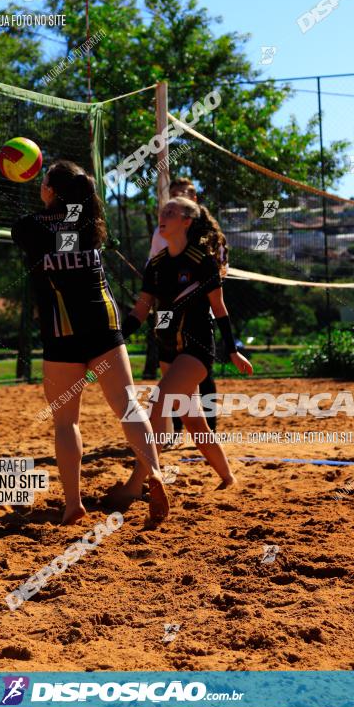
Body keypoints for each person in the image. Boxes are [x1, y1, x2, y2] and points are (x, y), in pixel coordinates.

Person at [11, 159, 169, 526]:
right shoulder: (91, 224)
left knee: (66, 422)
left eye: (44, 182)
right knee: (128, 404)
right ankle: (155, 472)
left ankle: (73, 505)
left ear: (49, 190)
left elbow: (30, 227)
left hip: (61, 331)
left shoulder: (28, 227)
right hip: (103, 326)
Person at [119, 196, 252, 500]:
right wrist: (116, 336)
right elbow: (140, 311)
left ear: (187, 221)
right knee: (194, 422)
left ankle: (140, 480)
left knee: (159, 400)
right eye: (162, 211)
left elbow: (219, 309)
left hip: (196, 349)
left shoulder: (202, 262)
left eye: (170, 212)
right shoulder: (155, 265)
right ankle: (228, 477)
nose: (162, 216)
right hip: (168, 350)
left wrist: (232, 350)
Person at [148, 178, 229, 436]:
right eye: (174, 194)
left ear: (194, 201)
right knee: (168, 362)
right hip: (165, 309)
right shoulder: (161, 231)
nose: (180, 196)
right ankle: (176, 429)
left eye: (186, 193)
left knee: (199, 369)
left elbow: (220, 269)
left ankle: (209, 425)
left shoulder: (208, 234)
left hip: (196, 307)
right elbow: (155, 264)